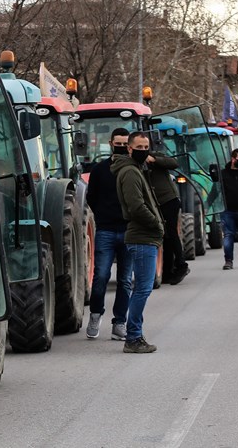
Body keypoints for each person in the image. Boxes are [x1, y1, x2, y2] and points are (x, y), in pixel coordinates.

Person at [112, 130, 163, 353]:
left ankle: (135, 335)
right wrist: (156, 224)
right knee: (142, 289)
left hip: (144, 236)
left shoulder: (136, 169)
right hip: (142, 236)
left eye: (146, 148)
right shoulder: (130, 172)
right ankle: (133, 338)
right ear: (129, 149)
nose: (143, 151)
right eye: (139, 148)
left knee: (142, 288)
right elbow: (136, 206)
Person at [84, 128, 133, 340]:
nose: (121, 147)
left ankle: (119, 323)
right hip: (105, 230)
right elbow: (91, 198)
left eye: (125, 144)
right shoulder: (99, 170)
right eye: (118, 143)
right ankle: (95, 314)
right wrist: (103, 216)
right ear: (111, 143)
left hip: (129, 231)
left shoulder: (134, 169)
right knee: (101, 275)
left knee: (125, 280)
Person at [145, 144, 188, 285]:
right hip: (153, 203)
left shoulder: (155, 156)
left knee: (170, 233)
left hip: (168, 200)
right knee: (164, 236)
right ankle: (168, 271)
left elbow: (173, 163)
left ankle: (181, 265)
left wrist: (154, 159)